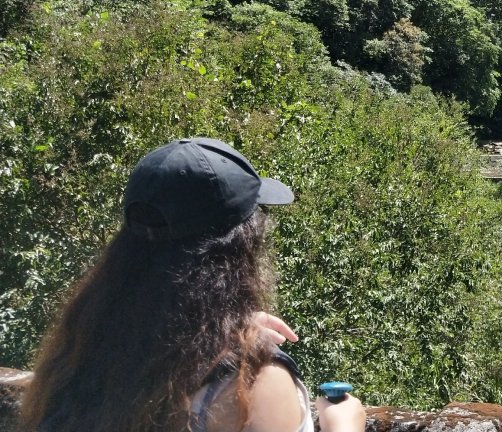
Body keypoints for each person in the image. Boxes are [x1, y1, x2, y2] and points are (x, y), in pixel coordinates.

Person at [18, 137, 366, 432]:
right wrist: (344, 425)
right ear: (239, 248)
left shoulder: (82, 351)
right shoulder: (252, 382)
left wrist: (220, 326)